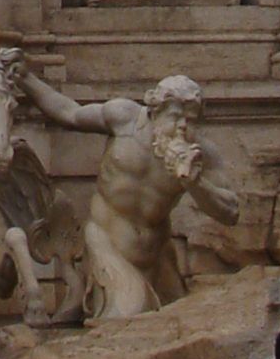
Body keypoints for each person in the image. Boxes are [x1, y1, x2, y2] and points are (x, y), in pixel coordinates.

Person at [20, 64, 240, 319]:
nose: (182, 126)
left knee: (177, 323)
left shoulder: (201, 153)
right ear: (154, 111)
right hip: (107, 245)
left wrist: (195, 182)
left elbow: (231, 212)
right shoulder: (124, 118)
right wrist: (26, 79)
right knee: (129, 316)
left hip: (157, 256)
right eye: (174, 116)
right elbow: (69, 113)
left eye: (190, 120)